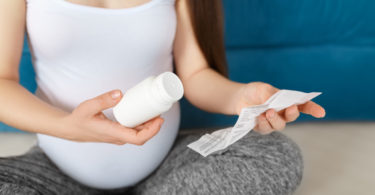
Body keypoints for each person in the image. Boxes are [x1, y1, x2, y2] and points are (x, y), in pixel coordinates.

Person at [0, 0, 326, 194]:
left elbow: (195, 75)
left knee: (275, 155)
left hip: (164, 167)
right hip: (57, 168)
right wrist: (70, 126)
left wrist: (243, 96)